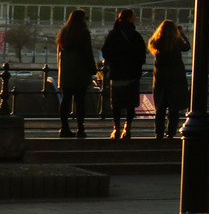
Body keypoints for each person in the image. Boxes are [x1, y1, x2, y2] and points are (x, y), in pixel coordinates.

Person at [99, 10, 146, 139]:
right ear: (130, 18)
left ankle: (116, 128)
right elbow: (142, 55)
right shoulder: (135, 35)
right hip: (132, 74)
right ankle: (128, 128)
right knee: (130, 104)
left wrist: (114, 62)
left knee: (117, 104)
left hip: (117, 73)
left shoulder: (113, 34)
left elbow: (105, 52)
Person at [149, 19, 191, 139]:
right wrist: (181, 34)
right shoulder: (176, 41)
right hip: (175, 77)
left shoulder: (156, 41)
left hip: (160, 78)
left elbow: (151, 42)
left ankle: (159, 132)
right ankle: (171, 132)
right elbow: (187, 47)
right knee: (174, 107)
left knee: (160, 108)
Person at [55, 10, 93, 138]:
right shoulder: (83, 33)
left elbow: (59, 55)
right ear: (81, 19)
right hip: (80, 72)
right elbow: (88, 53)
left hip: (66, 72)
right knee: (80, 101)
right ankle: (80, 128)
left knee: (65, 100)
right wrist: (93, 69)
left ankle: (64, 127)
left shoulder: (63, 33)